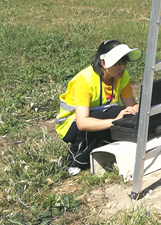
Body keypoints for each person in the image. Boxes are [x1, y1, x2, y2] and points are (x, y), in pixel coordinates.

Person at [55, 39, 142, 174]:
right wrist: (115, 121)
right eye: (118, 64)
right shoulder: (85, 79)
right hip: (70, 124)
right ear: (103, 63)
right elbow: (82, 123)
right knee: (109, 116)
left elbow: (131, 105)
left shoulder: (122, 76)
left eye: (124, 63)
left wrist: (143, 110)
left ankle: (106, 148)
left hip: (97, 115)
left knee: (124, 113)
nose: (122, 68)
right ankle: (75, 159)